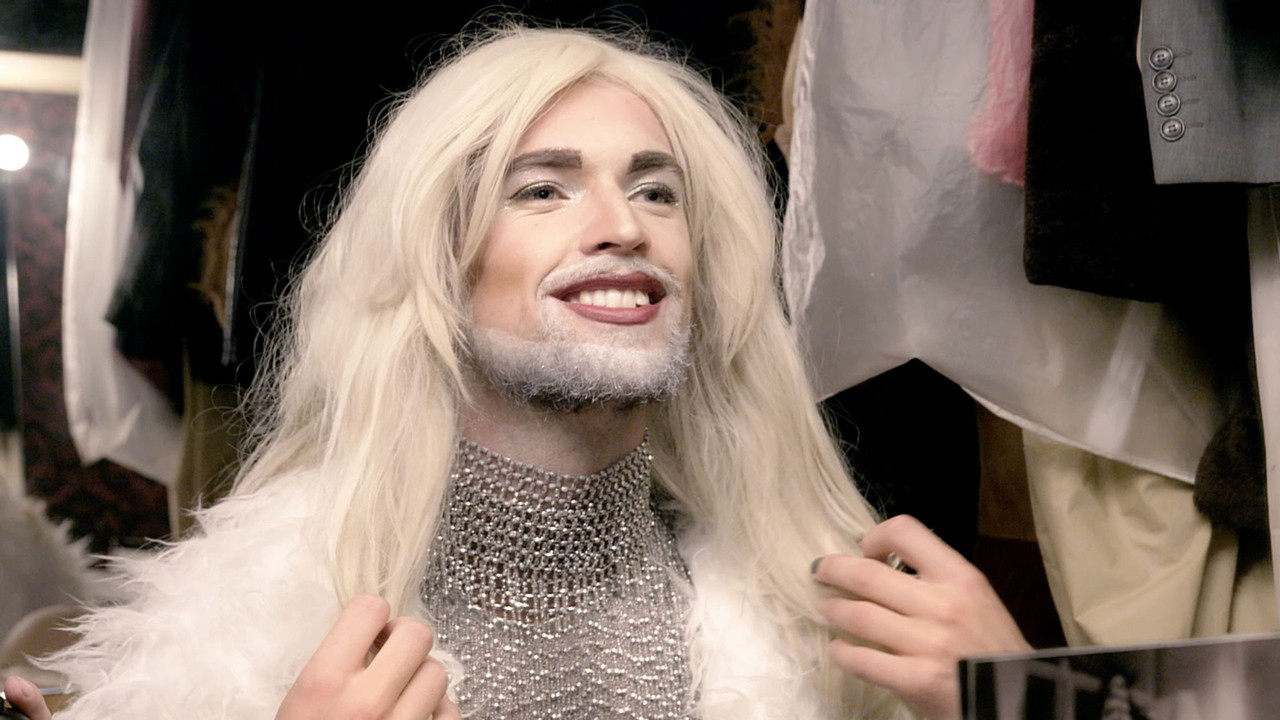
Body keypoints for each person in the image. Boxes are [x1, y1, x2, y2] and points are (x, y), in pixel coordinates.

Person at [5, 26, 1028, 720]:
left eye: (658, 193)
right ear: (434, 264)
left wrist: (1025, 704)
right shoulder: (245, 633)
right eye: (542, 190)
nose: (623, 226)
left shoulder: (820, 628)